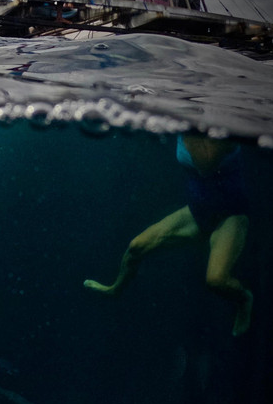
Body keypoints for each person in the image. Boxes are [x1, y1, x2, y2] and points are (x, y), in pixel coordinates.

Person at [83, 134, 253, 337]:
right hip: (197, 212)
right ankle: (115, 289)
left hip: (230, 215)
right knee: (136, 246)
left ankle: (244, 298)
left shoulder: (220, 128)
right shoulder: (185, 123)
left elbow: (205, 166)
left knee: (216, 280)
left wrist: (186, 121)